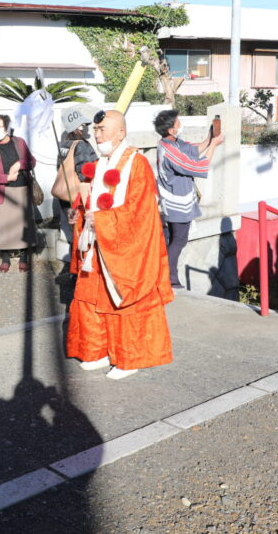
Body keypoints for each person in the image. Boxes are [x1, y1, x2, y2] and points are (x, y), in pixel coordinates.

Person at [66, 109, 173, 380]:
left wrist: (102, 220)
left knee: (122, 300)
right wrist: (79, 210)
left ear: (121, 132)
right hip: (96, 242)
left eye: (103, 129)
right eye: (96, 129)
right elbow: (93, 197)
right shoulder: (102, 161)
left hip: (125, 248)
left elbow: (140, 211)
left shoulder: (136, 163)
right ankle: (97, 351)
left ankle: (128, 358)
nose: (97, 133)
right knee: (90, 298)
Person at [153, 109, 224, 289]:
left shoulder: (171, 143)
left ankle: (167, 276)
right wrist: (214, 145)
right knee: (179, 240)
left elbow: (192, 150)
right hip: (176, 202)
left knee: (175, 239)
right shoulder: (170, 152)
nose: (181, 124)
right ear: (171, 129)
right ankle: (170, 279)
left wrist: (209, 138)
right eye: (178, 122)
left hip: (175, 200)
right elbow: (197, 165)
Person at [0, 114, 36, 273]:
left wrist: (19, 164)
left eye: (0, 126)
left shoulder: (19, 142)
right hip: (3, 190)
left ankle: (24, 257)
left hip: (22, 188)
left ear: (7, 127)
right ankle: (5, 257)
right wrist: (7, 177)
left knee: (24, 224)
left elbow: (31, 161)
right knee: (5, 225)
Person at [54, 107, 98, 249]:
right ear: (77, 126)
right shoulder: (81, 145)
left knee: (74, 231)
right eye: (84, 125)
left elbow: (58, 167)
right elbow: (86, 173)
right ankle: (81, 266)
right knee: (85, 233)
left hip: (64, 195)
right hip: (78, 195)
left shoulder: (64, 144)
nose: (86, 128)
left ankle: (75, 264)